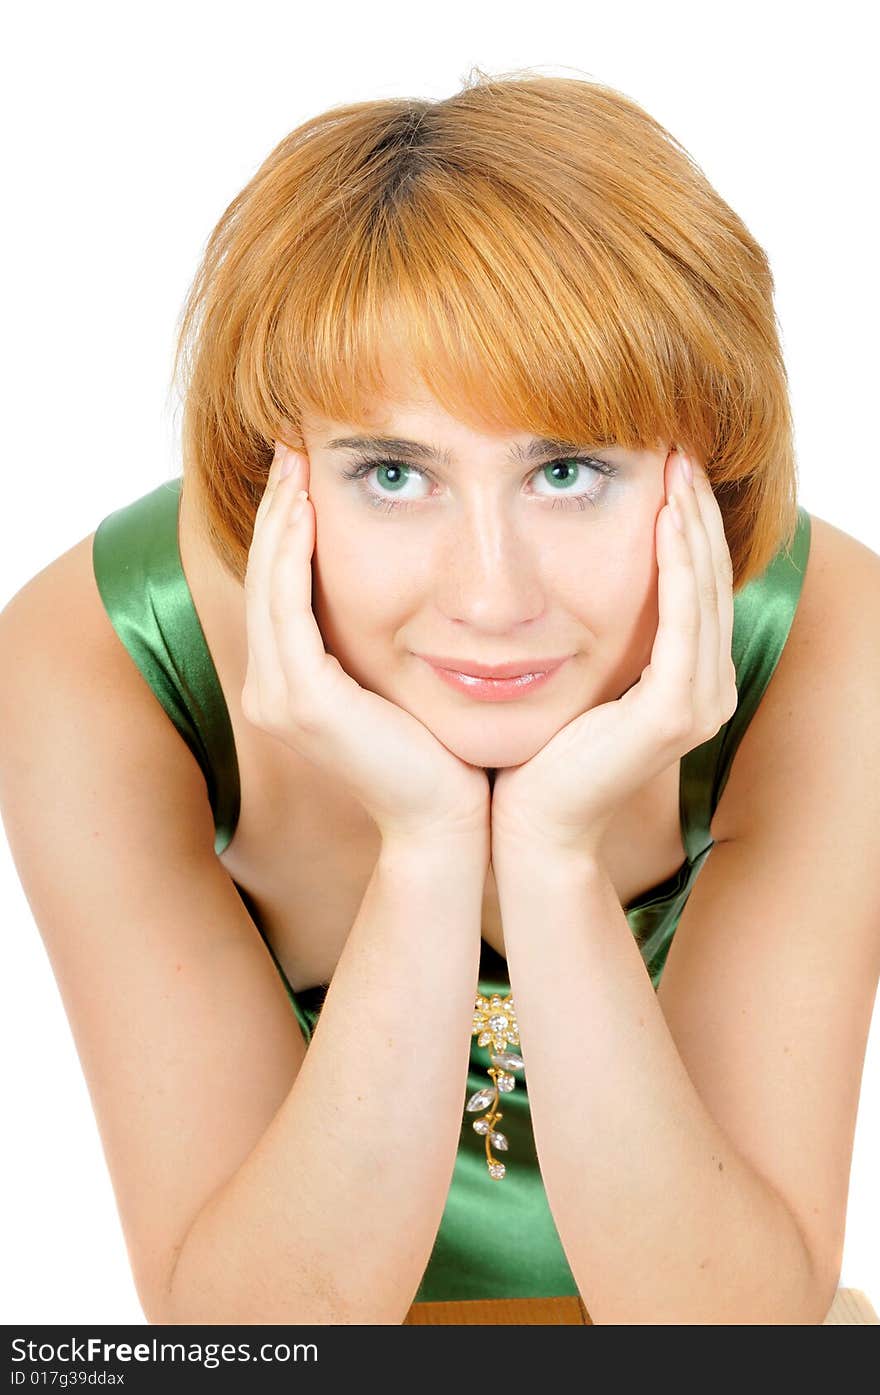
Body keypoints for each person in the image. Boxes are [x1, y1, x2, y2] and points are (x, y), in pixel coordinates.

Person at [1, 67, 878, 1328]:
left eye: (568, 470)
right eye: (395, 475)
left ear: (709, 468)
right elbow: (241, 1345)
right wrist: (424, 849)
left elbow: (735, 1332)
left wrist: (553, 854)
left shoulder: (822, 642)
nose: (489, 595)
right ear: (271, 474)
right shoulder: (113, 659)